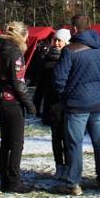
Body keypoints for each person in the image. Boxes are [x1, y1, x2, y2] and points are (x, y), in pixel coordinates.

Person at [54, 15, 100, 196]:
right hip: (97, 101)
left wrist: (66, 93)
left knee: (74, 144)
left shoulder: (70, 51)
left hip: (76, 104)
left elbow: (59, 78)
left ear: (75, 29)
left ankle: (73, 183)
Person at [0, 21, 37, 193]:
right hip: (12, 101)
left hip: (0, 97)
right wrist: (30, 104)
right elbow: (19, 83)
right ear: (22, 36)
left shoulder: (0, 49)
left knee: (6, 142)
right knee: (17, 143)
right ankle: (14, 181)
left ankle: (5, 179)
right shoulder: (15, 52)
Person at [34, 28, 72, 179]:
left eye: (59, 40)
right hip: (52, 105)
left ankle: (69, 166)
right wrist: (37, 104)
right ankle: (59, 166)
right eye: (54, 40)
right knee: (56, 138)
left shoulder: (70, 59)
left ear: (66, 42)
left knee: (68, 138)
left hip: (68, 104)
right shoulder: (46, 61)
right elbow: (40, 86)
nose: (56, 43)